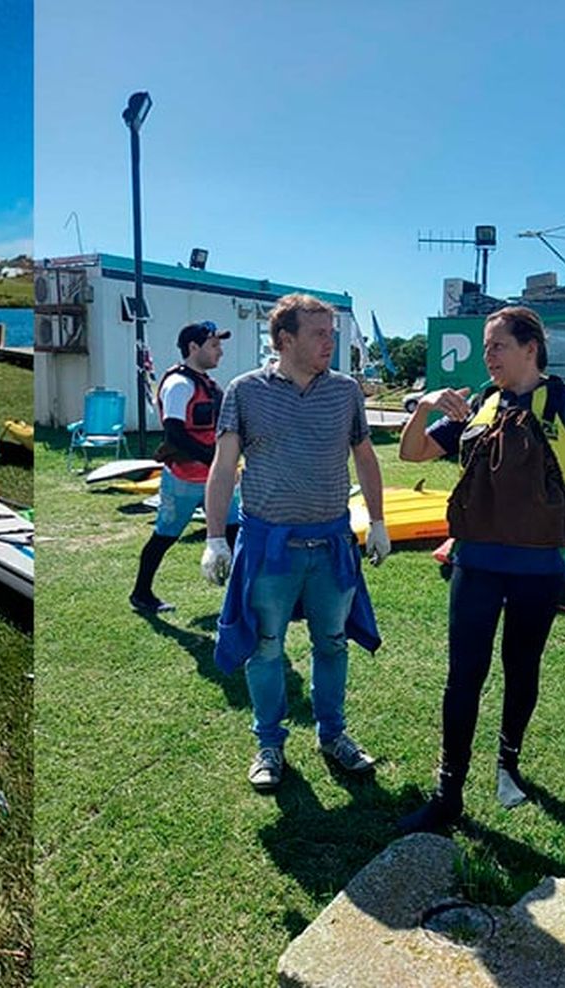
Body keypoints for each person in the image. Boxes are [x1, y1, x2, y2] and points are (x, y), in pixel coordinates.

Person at [395, 303, 565, 833]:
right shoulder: (480, 404)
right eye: (484, 347)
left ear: (531, 348)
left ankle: (508, 765)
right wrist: (424, 406)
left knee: (521, 669)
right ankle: (448, 793)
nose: (488, 356)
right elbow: (412, 454)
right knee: (463, 678)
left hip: (539, 566)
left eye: (497, 346)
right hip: (475, 563)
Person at [202, 293, 390, 792]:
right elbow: (223, 468)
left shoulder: (346, 392)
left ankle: (333, 734)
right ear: (285, 340)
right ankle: (269, 743)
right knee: (265, 649)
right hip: (270, 548)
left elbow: (365, 459)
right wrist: (216, 537)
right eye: (320, 334)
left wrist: (378, 521)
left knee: (331, 643)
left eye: (332, 333)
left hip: (331, 546)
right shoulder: (244, 392)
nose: (331, 342)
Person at [129, 321, 240, 614]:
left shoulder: (206, 383)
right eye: (214, 345)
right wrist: (214, 461)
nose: (220, 352)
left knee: (235, 533)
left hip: (217, 477)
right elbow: (175, 434)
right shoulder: (179, 385)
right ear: (194, 348)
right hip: (185, 479)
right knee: (165, 536)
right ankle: (141, 593)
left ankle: (240, 599)